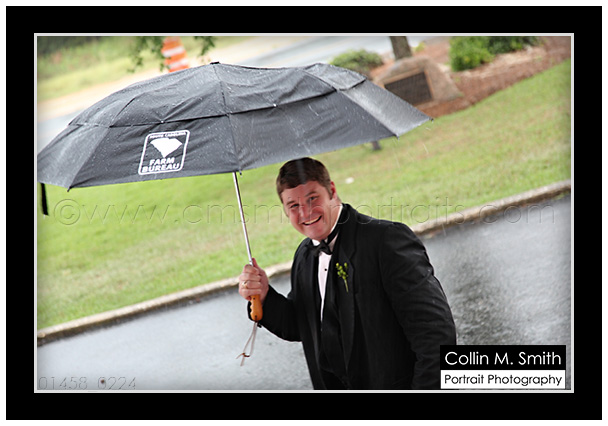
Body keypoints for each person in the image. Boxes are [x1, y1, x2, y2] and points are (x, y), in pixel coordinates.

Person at [238, 157, 456, 390]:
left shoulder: (386, 240)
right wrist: (264, 296)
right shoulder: (304, 255)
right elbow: (302, 325)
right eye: (293, 206)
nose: (305, 212)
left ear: (332, 190)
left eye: (312, 198)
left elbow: (435, 333)